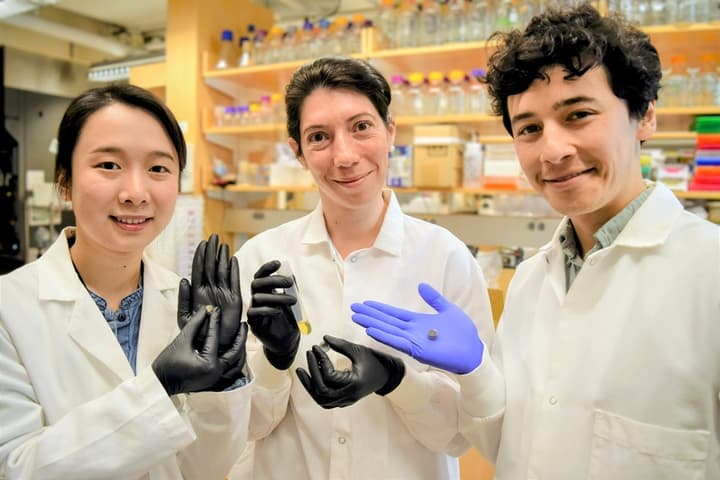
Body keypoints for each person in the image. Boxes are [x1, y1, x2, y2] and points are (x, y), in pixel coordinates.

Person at [351, 3, 720, 478]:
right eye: (529, 128)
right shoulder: (528, 282)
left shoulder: (708, 274)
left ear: (644, 115)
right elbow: (502, 445)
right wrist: (476, 371)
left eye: (579, 114)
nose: (553, 150)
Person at [232, 56, 495, 479]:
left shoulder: (445, 258)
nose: (345, 155)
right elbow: (243, 427)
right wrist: (273, 360)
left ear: (390, 131)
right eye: (319, 137)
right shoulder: (260, 261)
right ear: (298, 152)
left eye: (361, 127)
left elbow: (462, 435)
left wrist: (397, 380)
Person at [0, 84, 252, 479]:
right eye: (109, 166)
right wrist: (160, 386)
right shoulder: (8, 309)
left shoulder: (182, 305)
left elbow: (204, 468)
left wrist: (222, 384)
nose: (136, 193)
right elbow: (15, 468)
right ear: (65, 181)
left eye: (158, 169)